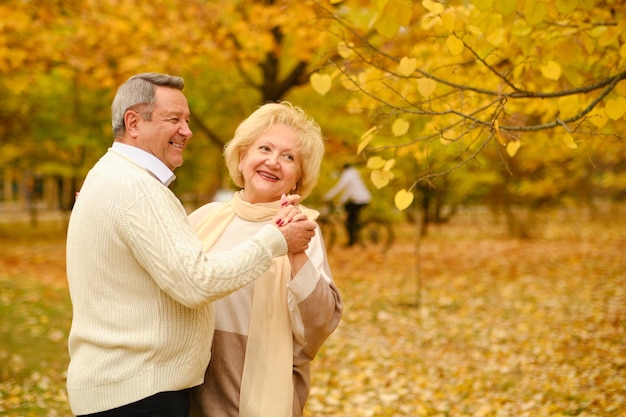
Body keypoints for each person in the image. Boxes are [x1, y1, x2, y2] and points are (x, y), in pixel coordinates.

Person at [65, 73, 316, 417]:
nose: (187, 130)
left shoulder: (114, 178)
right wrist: (275, 241)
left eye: (187, 120)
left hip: (136, 389)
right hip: (137, 394)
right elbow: (197, 281)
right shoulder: (136, 188)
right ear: (134, 122)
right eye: (174, 119)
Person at [188, 102, 343, 417]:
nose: (273, 162)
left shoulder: (303, 229)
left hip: (259, 397)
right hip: (193, 388)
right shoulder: (202, 219)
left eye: (289, 157)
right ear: (243, 156)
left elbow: (318, 326)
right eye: (265, 148)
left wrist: (295, 251)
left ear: (298, 178)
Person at [323, 163, 372, 246]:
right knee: (350, 217)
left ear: (344, 168)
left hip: (360, 200)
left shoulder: (348, 175)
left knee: (349, 221)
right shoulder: (353, 176)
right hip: (362, 199)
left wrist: (327, 196)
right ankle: (355, 234)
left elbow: (339, 187)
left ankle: (352, 241)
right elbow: (349, 192)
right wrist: (341, 201)